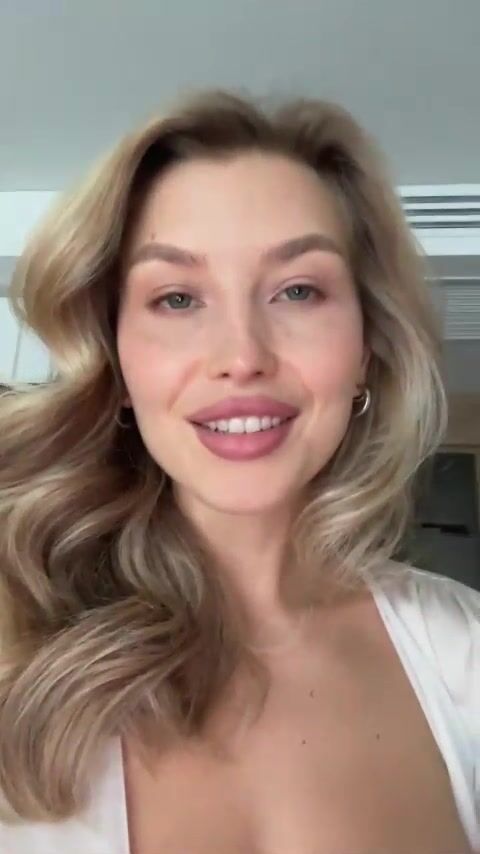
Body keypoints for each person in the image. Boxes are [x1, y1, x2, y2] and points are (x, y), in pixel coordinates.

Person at [0, 88, 478, 854]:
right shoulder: (15, 647)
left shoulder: (463, 653)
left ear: (366, 347)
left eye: (298, 290)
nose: (243, 356)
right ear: (115, 361)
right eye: (177, 298)